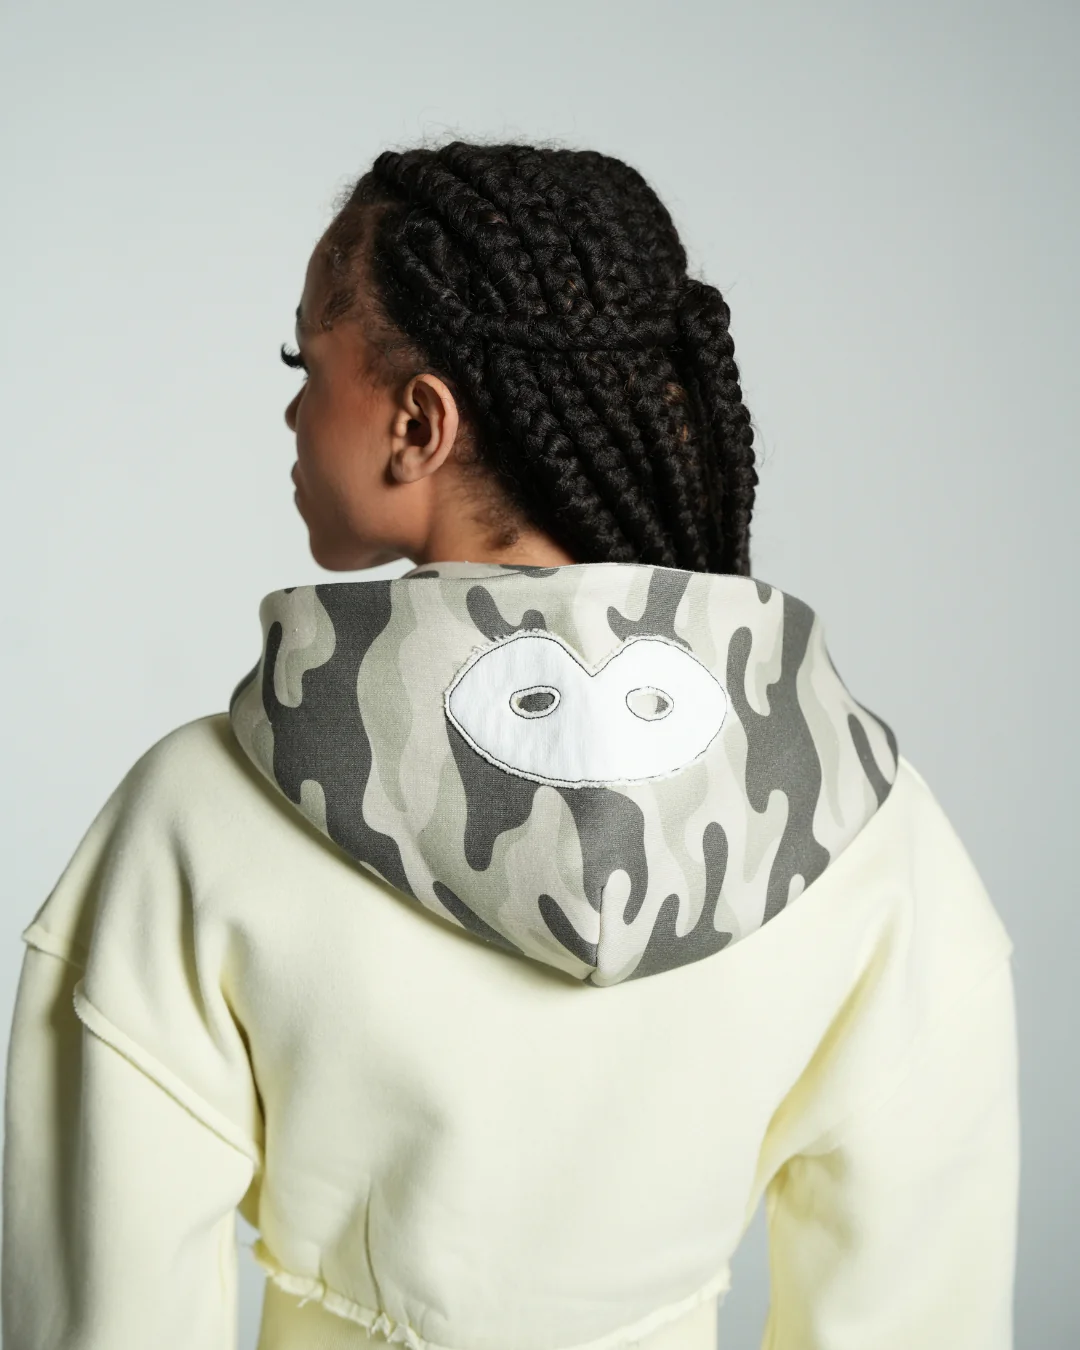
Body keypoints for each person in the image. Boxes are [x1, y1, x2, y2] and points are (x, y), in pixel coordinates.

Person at [2, 142, 1019, 1350]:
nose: (291, 409)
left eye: (304, 365)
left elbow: (107, 1313)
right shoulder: (865, 829)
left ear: (418, 423)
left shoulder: (196, 815)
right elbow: (917, 1310)